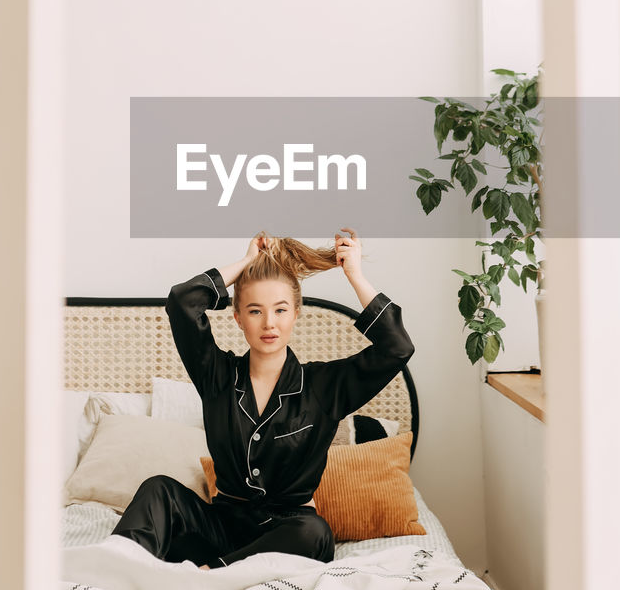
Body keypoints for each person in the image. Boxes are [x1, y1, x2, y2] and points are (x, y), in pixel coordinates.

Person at [112, 228, 414, 568]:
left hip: (287, 536)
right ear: (238, 318)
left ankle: (215, 575)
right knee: (159, 489)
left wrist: (355, 276)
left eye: (281, 310)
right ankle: (117, 569)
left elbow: (397, 347)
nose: (269, 323)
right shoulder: (217, 376)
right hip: (219, 530)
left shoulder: (325, 386)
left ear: (296, 313)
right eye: (255, 311)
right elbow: (182, 301)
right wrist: (246, 263)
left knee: (315, 532)